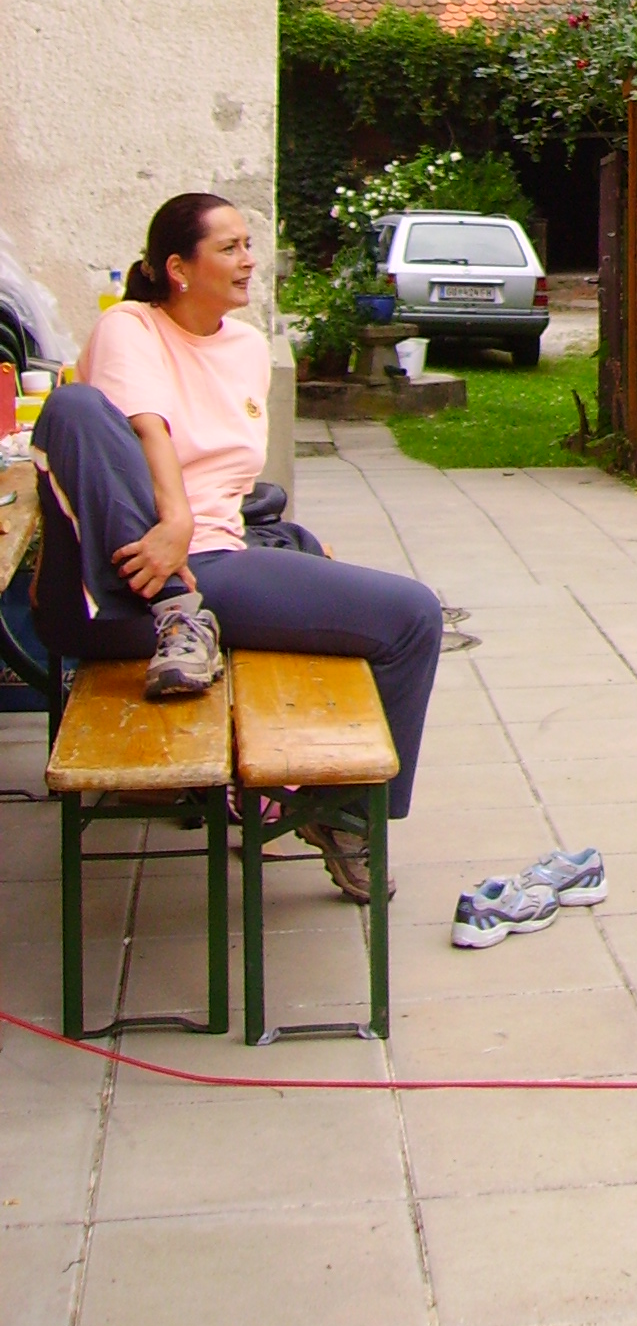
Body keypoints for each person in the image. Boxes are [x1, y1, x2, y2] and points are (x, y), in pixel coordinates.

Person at [31, 194, 442, 903]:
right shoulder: (131, 326)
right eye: (229, 248)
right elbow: (150, 429)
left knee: (413, 616)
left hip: (212, 566)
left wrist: (274, 544)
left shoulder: (248, 348)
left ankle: (343, 817)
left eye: (249, 244)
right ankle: (177, 612)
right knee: (72, 405)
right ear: (178, 268)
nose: (249, 260)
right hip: (118, 586)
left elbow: (231, 482)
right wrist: (175, 523)